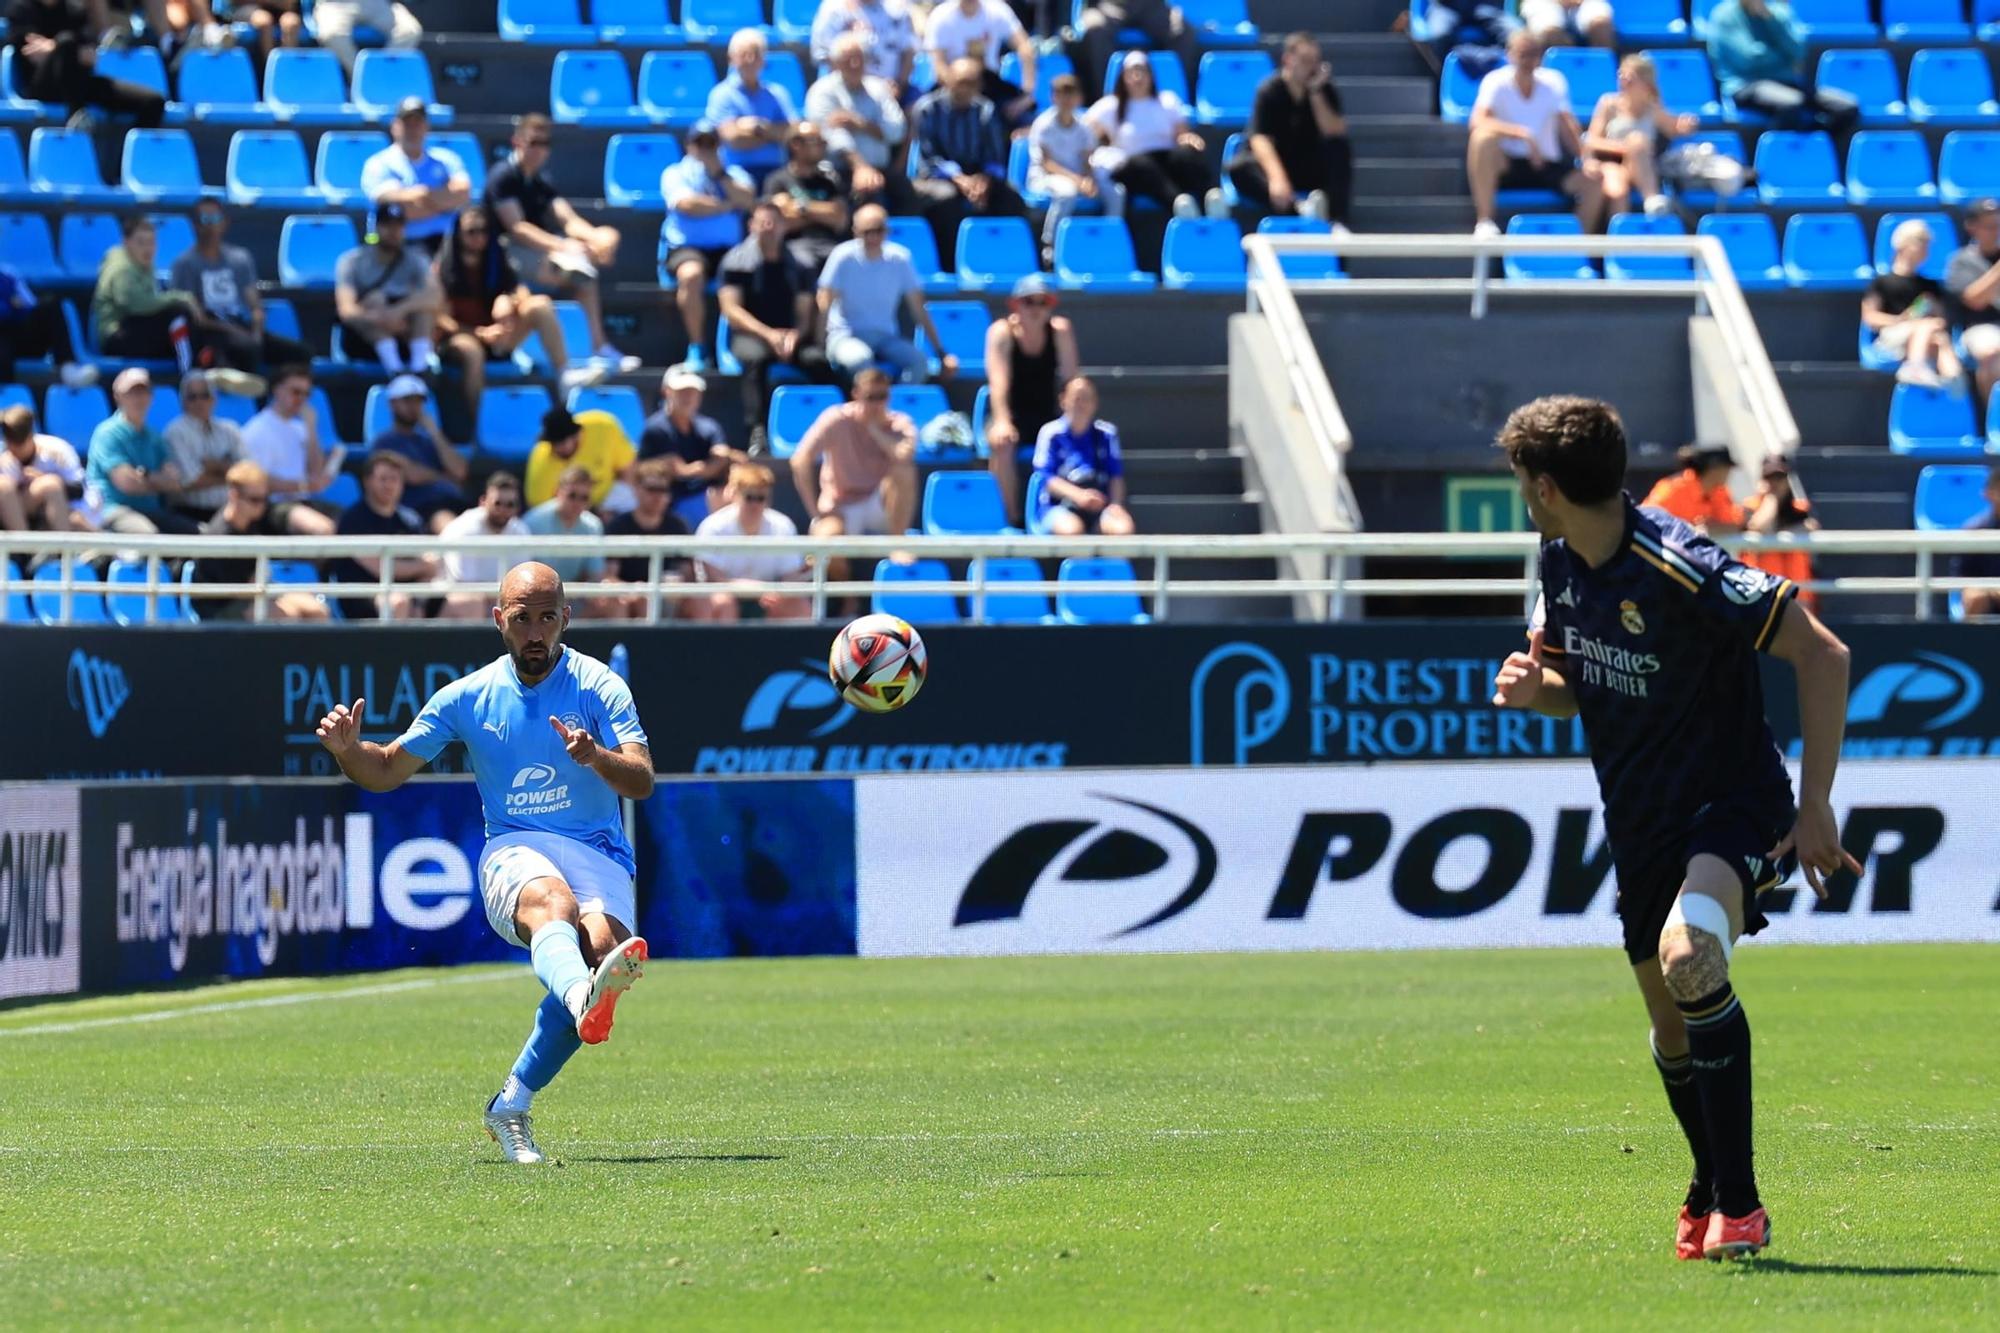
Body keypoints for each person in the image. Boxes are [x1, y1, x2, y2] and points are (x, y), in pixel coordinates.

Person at [1490, 394, 1860, 1263]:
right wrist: (1528, 689)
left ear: (1544, 486)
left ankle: (1741, 1203)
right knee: (1670, 1025)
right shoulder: (1558, 562)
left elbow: (1824, 652)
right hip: (1642, 819)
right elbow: (1568, 687)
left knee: (1690, 956)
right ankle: (1708, 1182)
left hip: (1735, 804)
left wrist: (1814, 804)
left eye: (1519, 480)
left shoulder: (1680, 561)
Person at [314, 559, 654, 1165]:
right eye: (522, 619)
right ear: (499, 619)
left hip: (597, 849)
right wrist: (348, 751)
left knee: (604, 952)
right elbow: (386, 769)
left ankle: (511, 1103)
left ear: (565, 620)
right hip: (515, 847)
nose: (535, 632)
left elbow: (642, 780)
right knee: (558, 910)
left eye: (547, 618)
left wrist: (594, 755)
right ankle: (582, 999)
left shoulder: (600, 685)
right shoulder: (468, 696)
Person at [487, 113, 638, 373]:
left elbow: (567, 219)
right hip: (502, 255)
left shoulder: (541, 181)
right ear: (517, 142)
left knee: (585, 271)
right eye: (533, 142)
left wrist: (597, 238)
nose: (539, 150)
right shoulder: (503, 176)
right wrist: (563, 247)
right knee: (575, 268)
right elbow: (517, 228)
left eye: (544, 144)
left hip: (537, 251)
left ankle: (599, 346)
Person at [434, 211, 606, 423]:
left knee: (539, 305)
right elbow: (439, 318)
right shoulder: (442, 270)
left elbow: (519, 290)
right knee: (472, 351)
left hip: (499, 338)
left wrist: (509, 302)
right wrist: (478, 333)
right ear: (458, 234)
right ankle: (477, 422)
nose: (479, 237)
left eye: (484, 231)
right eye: (472, 231)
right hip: (460, 338)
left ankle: (565, 375)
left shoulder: (497, 258)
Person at [94, 216, 265, 395]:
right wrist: (181, 298)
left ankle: (219, 367)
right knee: (178, 314)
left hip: (140, 332)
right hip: (117, 337)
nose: (148, 248)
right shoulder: (121, 268)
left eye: (151, 242)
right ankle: (190, 375)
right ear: (126, 242)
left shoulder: (145, 265)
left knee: (197, 321)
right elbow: (135, 304)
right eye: (141, 242)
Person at [719, 201, 835, 452]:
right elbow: (731, 311)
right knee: (756, 361)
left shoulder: (801, 263)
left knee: (818, 362)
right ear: (751, 226)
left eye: (773, 222)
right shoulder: (735, 261)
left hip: (788, 335)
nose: (768, 228)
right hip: (751, 334)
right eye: (762, 222)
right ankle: (757, 432)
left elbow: (805, 311)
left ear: (784, 226)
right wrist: (768, 335)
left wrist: (797, 334)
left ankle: (828, 429)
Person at [1467, 32, 1604, 236]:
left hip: (1547, 165)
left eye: (1533, 54)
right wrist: (1522, 134)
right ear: (1509, 54)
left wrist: (1586, 158)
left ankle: (1576, 247)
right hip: (1508, 166)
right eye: (1522, 53)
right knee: (1482, 139)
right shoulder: (1495, 81)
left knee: (1595, 181)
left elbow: (1567, 125)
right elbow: (1477, 121)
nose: (1527, 60)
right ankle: (1485, 221)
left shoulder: (1554, 81)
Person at [170, 202, 316, 376]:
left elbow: (254, 305)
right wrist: (238, 333)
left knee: (301, 354)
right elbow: (197, 317)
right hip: (210, 332)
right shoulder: (184, 264)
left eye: (215, 218)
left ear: (225, 222)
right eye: (204, 219)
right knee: (245, 348)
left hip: (240, 325)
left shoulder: (240, 259)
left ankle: (280, 395)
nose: (210, 225)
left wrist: (256, 332)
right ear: (195, 225)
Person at [1227, 32, 1354, 232]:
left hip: (1305, 164)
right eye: (1305, 61)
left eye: (1315, 61)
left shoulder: (1324, 89)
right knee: (1239, 168)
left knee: (1339, 148)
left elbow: (1334, 131)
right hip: (1277, 168)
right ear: (1288, 60)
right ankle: (1299, 212)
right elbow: (1260, 139)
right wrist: (1277, 178)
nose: (1311, 67)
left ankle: (1337, 221)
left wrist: (1315, 93)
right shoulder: (1269, 91)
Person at [818, 204, 960, 382]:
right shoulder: (842, 256)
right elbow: (824, 300)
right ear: (855, 231)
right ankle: (867, 407)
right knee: (860, 359)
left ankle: (896, 406)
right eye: (866, 231)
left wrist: (941, 352)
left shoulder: (900, 258)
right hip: (844, 336)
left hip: (886, 337)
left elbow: (919, 309)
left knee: (919, 362)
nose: (873, 237)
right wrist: (819, 344)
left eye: (878, 230)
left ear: (886, 230)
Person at [659, 121, 758, 376]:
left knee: (751, 274)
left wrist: (720, 176)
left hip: (730, 251)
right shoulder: (675, 173)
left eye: (710, 143)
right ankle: (698, 346)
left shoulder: (734, 173)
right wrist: (725, 206)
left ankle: (734, 348)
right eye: (699, 143)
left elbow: (748, 201)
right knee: (690, 275)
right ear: (689, 146)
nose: (705, 149)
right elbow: (686, 205)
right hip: (687, 247)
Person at [984, 273, 1078, 524]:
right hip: (1011, 413)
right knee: (1002, 443)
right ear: (1015, 305)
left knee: (1073, 439)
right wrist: (1003, 421)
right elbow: (998, 382)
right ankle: (1010, 517)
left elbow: (1071, 382)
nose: (1036, 309)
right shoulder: (1002, 332)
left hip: (1046, 413)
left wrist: (1074, 420)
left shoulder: (1060, 331)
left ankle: (1065, 510)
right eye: (1029, 302)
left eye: (1042, 302)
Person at [190, 461, 330, 622]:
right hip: (222, 608)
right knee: (289, 614)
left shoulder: (255, 519)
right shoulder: (218, 537)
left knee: (317, 610)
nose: (261, 506)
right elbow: (233, 592)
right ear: (234, 495)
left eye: (265, 499)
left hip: (257, 594)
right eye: (255, 500)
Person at [791, 368, 917, 544]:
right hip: (841, 505)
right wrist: (814, 512)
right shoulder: (836, 419)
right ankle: (844, 572)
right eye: (870, 397)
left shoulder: (900, 422)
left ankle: (898, 544)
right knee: (823, 542)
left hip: (880, 505)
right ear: (856, 395)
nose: (877, 404)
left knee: (903, 471)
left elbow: (903, 457)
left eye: (882, 396)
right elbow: (800, 460)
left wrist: (874, 430)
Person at [1085, 50, 1214, 220]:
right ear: (1123, 77)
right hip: (1133, 167)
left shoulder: (1168, 100)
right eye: (1132, 72)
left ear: (1151, 75)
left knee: (1188, 155)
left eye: (1142, 71)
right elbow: (1084, 127)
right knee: (1143, 165)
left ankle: (1212, 199)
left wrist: (1188, 139)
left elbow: (1182, 134)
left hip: (1165, 159)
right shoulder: (1110, 106)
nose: (1137, 77)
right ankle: (1179, 204)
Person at [3, 0, 166, 128]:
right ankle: (77, 114)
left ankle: (123, 166)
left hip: (80, 82)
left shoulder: (74, 11)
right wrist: (63, 48)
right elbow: (31, 52)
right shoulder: (20, 10)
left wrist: (55, 48)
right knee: (66, 41)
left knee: (153, 101)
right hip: (43, 86)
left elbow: (89, 54)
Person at [1705, 0, 1857, 135]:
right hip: (1746, 84)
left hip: (1786, 82)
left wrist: (1770, 19)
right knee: (1792, 103)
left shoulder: (1777, 11)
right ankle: (1780, 154)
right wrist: (1784, 58)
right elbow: (1750, 59)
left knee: (1846, 107)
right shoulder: (1724, 16)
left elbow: (1798, 51)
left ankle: (1810, 142)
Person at [911, 59, 1028, 232]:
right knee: (945, 198)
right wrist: (960, 179)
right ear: (948, 80)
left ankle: (1003, 253)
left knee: (1011, 198)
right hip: (940, 176)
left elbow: (994, 156)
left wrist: (984, 180)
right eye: (961, 82)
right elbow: (929, 158)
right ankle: (949, 257)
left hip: (977, 173)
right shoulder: (928, 109)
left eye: (971, 84)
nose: (965, 89)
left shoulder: (986, 110)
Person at [806, 33, 915, 216]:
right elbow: (832, 137)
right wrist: (860, 167)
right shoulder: (822, 92)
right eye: (848, 59)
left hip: (882, 169)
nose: (855, 64)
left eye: (859, 58)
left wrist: (860, 124)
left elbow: (897, 130)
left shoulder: (878, 89)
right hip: (839, 171)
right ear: (836, 63)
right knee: (868, 194)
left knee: (916, 198)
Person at [85, 368, 199, 536]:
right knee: (148, 536)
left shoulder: (154, 436)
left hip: (152, 512)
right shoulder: (107, 433)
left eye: (143, 392)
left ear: (151, 397)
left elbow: (174, 483)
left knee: (201, 534)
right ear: (117, 396)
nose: (139, 398)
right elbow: (127, 483)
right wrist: (157, 480)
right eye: (132, 393)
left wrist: (143, 476)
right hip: (112, 511)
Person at [694, 462, 812, 621]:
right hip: (725, 594)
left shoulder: (783, 526)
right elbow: (716, 579)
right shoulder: (713, 527)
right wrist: (759, 589)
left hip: (770, 596)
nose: (755, 504)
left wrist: (779, 593)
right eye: (749, 497)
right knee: (722, 602)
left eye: (760, 498)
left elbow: (790, 575)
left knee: (799, 605)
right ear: (734, 494)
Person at [1585, 54, 1698, 220]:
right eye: (1620, 76)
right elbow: (1592, 140)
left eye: (1629, 79)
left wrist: (1687, 125)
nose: (1623, 82)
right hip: (1612, 162)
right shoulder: (1609, 104)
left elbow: (1674, 127)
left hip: (1641, 166)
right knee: (1618, 191)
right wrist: (1624, 147)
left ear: (1645, 84)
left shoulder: (1653, 108)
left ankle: (1651, 201)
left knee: (1637, 142)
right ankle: (1649, 201)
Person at [333, 203, 440, 374]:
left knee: (423, 311)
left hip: (403, 333)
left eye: (398, 225)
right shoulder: (351, 261)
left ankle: (420, 369)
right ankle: (395, 371)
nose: (393, 231)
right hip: (363, 341)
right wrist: (378, 318)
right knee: (375, 300)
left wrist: (398, 311)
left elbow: (434, 297)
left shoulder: (416, 259)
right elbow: (346, 310)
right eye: (387, 225)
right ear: (375, 227)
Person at [361, 97, 472, 260]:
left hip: (445, 246)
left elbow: (463, 194)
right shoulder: (378, 164)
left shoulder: (447, 160)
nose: (412, 129)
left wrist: (421, 196)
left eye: (418, 123)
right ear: (395, 127)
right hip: (399, 248)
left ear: (426, 127)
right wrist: (443, 203)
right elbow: (397, 211)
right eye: (407, 123)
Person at [329, 451, 434, 620]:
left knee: (462, 600)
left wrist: (419, 602)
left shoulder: (410, 520)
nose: (389, 485)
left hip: (407, 592)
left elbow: (430, 561)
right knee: (398, 602)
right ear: (367, 481)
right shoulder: (353, 519)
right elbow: (380, 567)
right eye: (383, 479)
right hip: (362, 596)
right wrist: (424, 566)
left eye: (395, 479)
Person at [1865, 220, 1962, 390]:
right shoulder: (1882, 282)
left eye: (1926, 242)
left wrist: (1933, 307)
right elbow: (1870, 317)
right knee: (1930, 329)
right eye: (1920, 241)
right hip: (1892, 337)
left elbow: (1941, 320)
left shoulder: (1930, 286)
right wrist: (1902, 320)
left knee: (1938, 339)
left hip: (1925, 336)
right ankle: (1922, 369)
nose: (1925, 247)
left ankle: (1954, 385)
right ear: (1902, 244)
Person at [1031, 376, 1132, 536]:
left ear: (1095, 403)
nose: (1081, 404)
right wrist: (1079, 496)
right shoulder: (1050, 433)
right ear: (1063, 400)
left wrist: (1115, 504)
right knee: (1073, 531)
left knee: (1122, 529)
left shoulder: (1107, 434)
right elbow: (1046, 478)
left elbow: (1115, 476)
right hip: (1058, 506)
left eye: (1087, 399)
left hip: (1100, 506)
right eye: (1076, 398)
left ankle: (1115, 561)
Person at [369, 373, 469, 531]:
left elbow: (460, 471)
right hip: (419, 510)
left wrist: (435, 432)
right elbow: (413, 475)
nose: (414, 407)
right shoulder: (384, 443)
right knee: (444, 520)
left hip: (453, 502)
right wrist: (445, 479)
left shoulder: (430, 440)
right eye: (407, 400)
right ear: (393, 404)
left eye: (418, 401)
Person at [637, 365, 733, 528]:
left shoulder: (710, 427)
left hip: (709, 499)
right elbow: (646, 473)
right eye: (681, 391)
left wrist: (690, 469)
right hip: (670, 505)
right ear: (666, 391)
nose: (688, 397)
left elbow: (722, 458)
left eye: (692, 391)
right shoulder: (655, 430)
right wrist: (709, 466)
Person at [603, 457, 694, 620]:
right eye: (652, 489)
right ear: (636, 489)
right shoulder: (619, 526)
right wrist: (633, 589)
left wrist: (676, 583)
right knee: (636, 601)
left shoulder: (678, 526)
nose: (658, 496)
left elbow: (686, 572)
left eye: (663, 490)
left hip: (669, 597)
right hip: (628, 597)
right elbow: (609, 576)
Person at [1027, 74, 1105, 264]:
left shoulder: (1084, 126)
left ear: (1079, 98)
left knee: (1115, 192)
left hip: (1077, 178)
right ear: (1054, 97)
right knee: (1067, 192)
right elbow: (1047, 164)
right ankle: (1050, 246)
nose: (1067, 99)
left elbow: (1087, 160)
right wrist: (1079, 181)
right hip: (1044, 178)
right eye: (1061, 94)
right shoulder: (1043, 125)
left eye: (1071, 94)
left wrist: (1088, 179)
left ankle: (1106, 239)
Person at [707, 29, 798, 189]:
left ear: (763, 60)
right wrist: (772, 134)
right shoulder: (721, 94)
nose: (750, 60)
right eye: (744, 54)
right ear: (731, 59)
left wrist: (757, 128)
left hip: (776, 170)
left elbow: (792, 134)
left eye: (756, 54)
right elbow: (733, 139)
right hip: (736, 173)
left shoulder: (777, 94)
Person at [925, 0, 1036, 128]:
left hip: (989, 84)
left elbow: (1025, 47)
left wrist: (1027, 95)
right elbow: (939, 65)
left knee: (1026, 119)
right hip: (952, 84)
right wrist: (960, 90)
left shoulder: (997, 10)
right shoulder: (941, 16)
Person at [437, 472, 531, 619]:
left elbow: (521, 583)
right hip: (448, 600)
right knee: (472, 601)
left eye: (510, 504)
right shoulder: (464, 529)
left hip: (496, 600)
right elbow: (464, 584)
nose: (503, 510)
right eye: (497, 503)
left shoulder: (521, 531)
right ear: (483, 502)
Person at [242, 364, 340, 503]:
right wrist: (301, 486)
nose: (301, 398)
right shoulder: (257, 430)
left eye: (306, 394)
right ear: (277, 390)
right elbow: (256, 480)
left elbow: (315, 473)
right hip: (272, 505)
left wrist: (311, 429)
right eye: (296, 392)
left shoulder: (300, 428)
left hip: (301, 502)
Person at [763, 122, 851, 276]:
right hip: (794, 247)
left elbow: (840, 219)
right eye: (817, 141)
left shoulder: (830, 181)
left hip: (830, 245)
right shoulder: (777, 181)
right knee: (805, 263)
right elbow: (783, 222)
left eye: (824, 142)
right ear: (796, 145)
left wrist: (801, 208)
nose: (824, 146)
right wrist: (823, 214)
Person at [1075, 0, 1197, 103]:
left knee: (1182, 32)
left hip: (1151, 6)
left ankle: (1171, 100)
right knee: (1096, 29)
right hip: (1110, 6)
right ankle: (1108, 100)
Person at [523, 465, 610, 606]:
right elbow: (523, 572)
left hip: (576, 597)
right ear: (557, 492)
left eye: (584, 498)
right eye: (572, 496)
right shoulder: (533, 521)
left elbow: (594, 575)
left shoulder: (593, 525)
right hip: (536, 597)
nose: (577, 503)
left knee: (613, 604)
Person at [1741, 456, 1818, 613]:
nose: (1775, 483)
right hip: (1761, 593)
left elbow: (1811, 529)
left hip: (1798, 593)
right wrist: (1772, 499)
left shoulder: (1799, 510)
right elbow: (1758, 527)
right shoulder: (1751, 506)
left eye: (1780, 478)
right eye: (1769, 478)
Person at [0, 261, 96, 388]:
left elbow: (29, 304)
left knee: (50, 307)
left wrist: (10, 306)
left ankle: (68, 370)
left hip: (17, 338)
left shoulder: (8, 274)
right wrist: (9, 305)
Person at [1944, 199, 2000, 413]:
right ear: (1972, 228)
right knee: (1991, 351)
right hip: (1980, 326)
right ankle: (1995, 424)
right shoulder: (1961, 261)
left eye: (1999, 225)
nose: (1996, 231)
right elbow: (1975, 300)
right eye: (1990, 226)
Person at [525, 405, 636, 512]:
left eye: (562, 441)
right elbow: (539, 508)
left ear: (575, 434)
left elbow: (627, 468)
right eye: (553, 442)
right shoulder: (541, 459)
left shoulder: (603, 427)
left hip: (606, 501)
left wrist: (610, 511)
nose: (557, 447)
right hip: (566, 512)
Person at [0, 403, 90, 533]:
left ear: (30, 436)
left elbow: (79, 490)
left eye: (19, 442)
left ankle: (63, 551)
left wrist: (41, 479)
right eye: (10, 441)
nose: (14, 447)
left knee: (50, 486)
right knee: (4, 486)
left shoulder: (57, 450)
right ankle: (24, 551)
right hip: (12, 514)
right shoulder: (3, 454)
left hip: (54, 512)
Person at [810, 0, 917, 92]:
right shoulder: (834, 9)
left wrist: (899, 86)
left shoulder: (896, 9)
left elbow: (909, 52)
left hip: (895, 90)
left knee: (924, 107)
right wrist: (869, 89)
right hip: (847, 91)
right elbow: (825, 56)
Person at [1643, 443, 1743, 536]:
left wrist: (1710, 528)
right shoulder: (1673, 489)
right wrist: (1690, 529)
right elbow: (1646, 520)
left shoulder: (1720, 491)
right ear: (1713, 469)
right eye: (1726, 468)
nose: (1729, 472)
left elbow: (1734, 525)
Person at [312, 0, 421, 74]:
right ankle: (361, 78)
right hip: (336, 4)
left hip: (375, 3)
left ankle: (382, 73)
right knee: (332, 35)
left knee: (409, 31)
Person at [1950, 464, 2000, 619]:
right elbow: (1964, 575)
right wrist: (1991, 589)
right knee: (1975, 598)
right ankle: (1969, 642)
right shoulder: (1974, 530)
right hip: (1986, 590)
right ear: (1988, 494)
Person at [1521, 0, 1615, 48]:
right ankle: (1566, 70)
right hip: (1545, 3)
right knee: (1550, 31)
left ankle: (1601, 71)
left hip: (1584, 2)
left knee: (1600, 24)